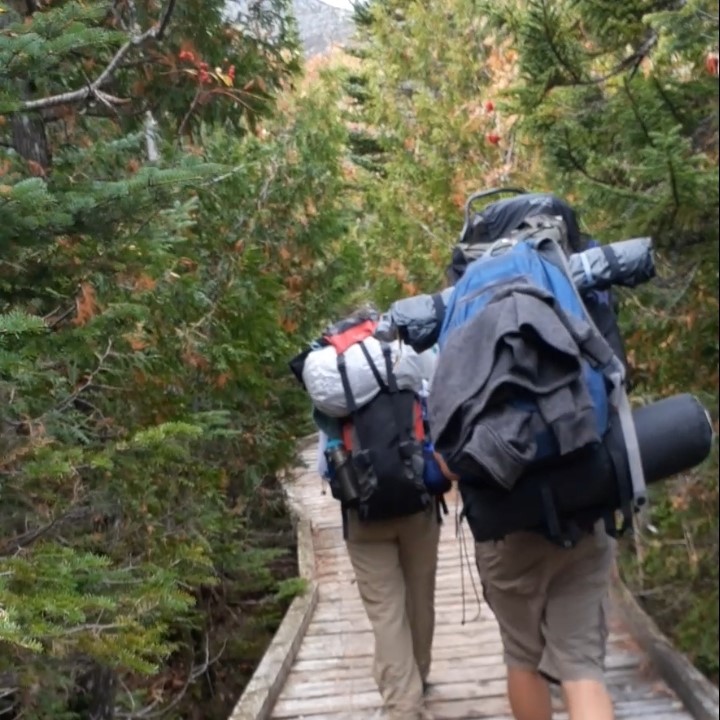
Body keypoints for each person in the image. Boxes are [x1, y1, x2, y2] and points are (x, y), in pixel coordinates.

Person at [435, 453, 616, 720]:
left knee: (523, 658)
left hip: (505, 531)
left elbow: (449, 467)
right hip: (585, 519)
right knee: (581, 666)